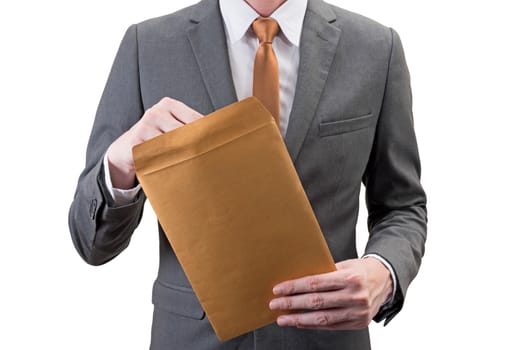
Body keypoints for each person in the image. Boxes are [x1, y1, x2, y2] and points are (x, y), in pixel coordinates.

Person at [68, 0, 427, 349]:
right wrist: (119, 163)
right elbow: (93, 244)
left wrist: (384, 270)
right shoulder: (147, 46)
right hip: (191, 339)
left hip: (328, 338)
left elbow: (402, 205)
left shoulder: (377, 48)